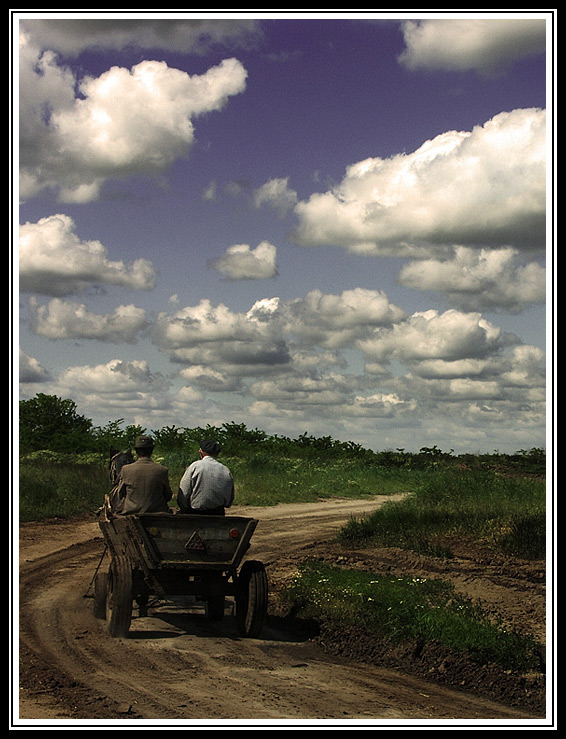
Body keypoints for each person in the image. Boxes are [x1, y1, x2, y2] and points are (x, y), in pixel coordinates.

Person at [113, 435, 173, 515]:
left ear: (136, 451)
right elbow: (168, 496)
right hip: (158, 514)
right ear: (151, 451)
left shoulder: (126, 469)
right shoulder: (162, 470)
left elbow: (121, 493)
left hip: (131, 513)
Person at [177, 440, 235, 515]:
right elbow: (229, 500)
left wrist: (183, 507)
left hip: (195, 513)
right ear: (217, 454)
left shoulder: (195, 466)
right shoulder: (226, 470)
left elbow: (184, 492)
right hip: (218, 513)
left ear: (201, 452)